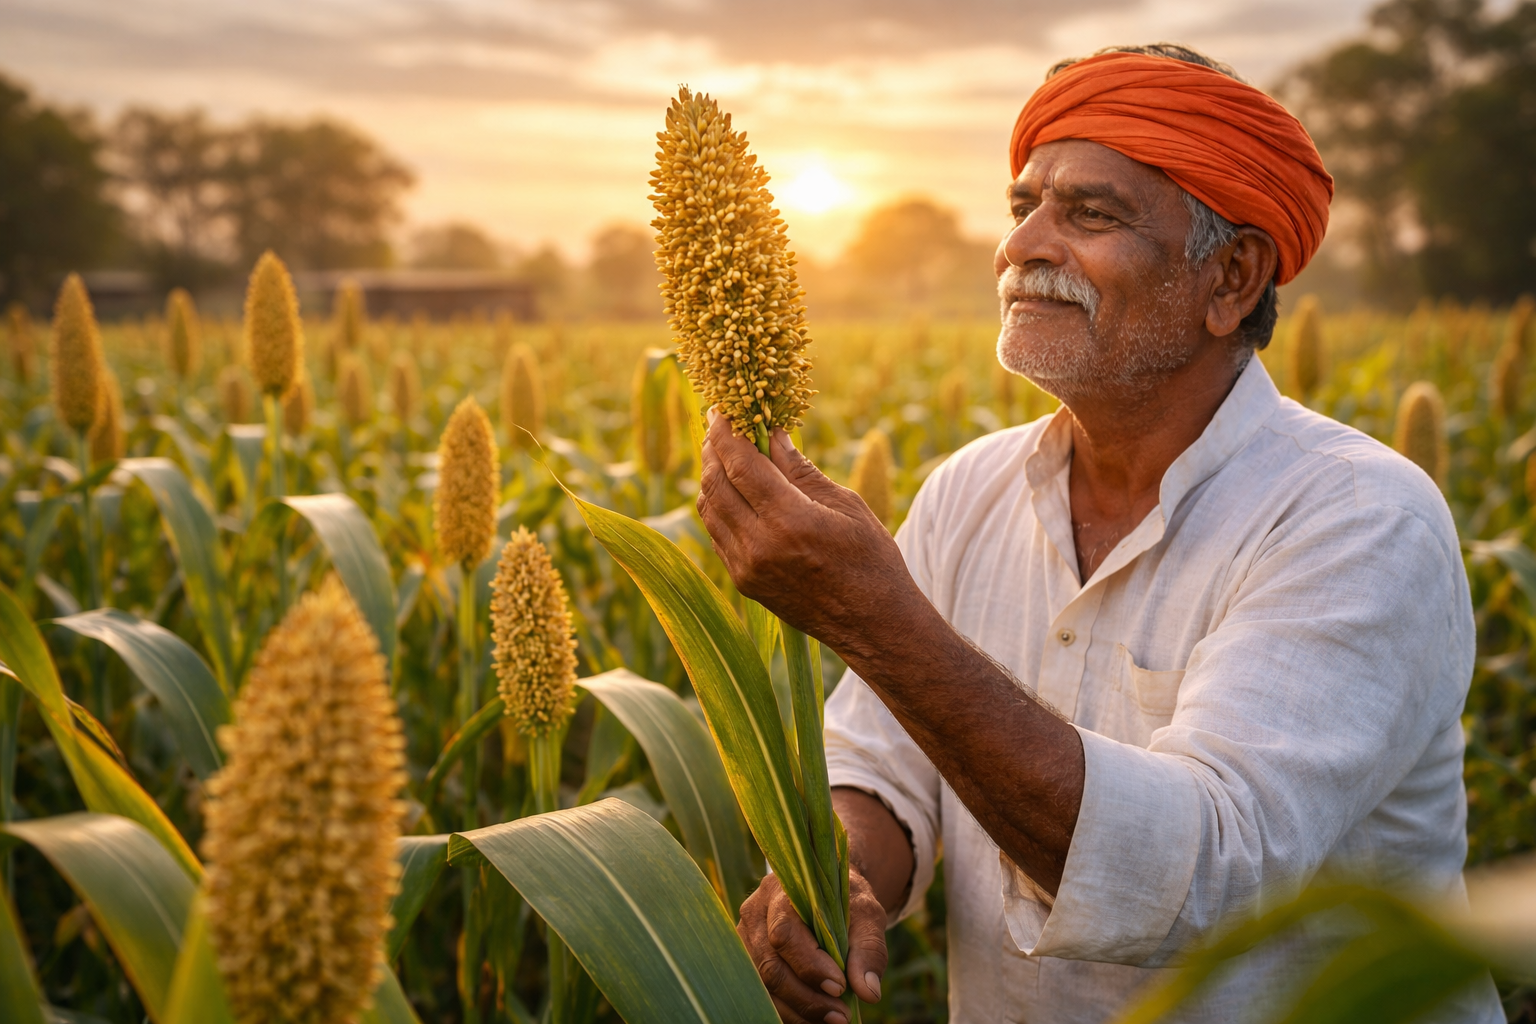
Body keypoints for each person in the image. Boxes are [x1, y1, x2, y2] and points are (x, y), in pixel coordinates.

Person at [694, 43, 1503, 1024]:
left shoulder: (1359, 521)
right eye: (1021, 206)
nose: (1022, 246)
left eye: (1089, 213)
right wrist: (840, 872)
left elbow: (1208, 875)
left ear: (1231, 278)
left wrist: (878, 617)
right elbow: (879, 766)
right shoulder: (969, 491)